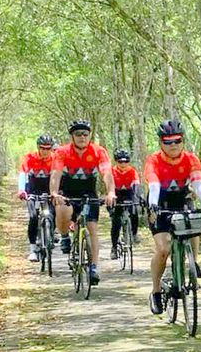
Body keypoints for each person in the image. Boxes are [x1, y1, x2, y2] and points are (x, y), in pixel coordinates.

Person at [145, 119, 201, 314]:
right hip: (160, 203)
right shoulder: (154, 160)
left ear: (183, 140)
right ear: (161, 143)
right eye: (168, 142)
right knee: (163, 250)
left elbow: (198, 183)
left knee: (193, 224)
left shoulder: (191, 159)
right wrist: (153, 206)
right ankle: (156, 291)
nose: (173, 145)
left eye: (177, 140)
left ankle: (193, 262)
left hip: (183, 199)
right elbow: (154, 185)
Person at [49, 120, 115, 287]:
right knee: (62, 211)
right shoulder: (62, 152)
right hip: (67, 193)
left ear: (90, 135)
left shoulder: (99, 151)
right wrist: (54, 193)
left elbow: (107, 173)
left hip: (88, 194)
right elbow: (56, 174)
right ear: (72, 136)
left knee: (92, 229)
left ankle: (93, 267)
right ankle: (65, 236)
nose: (82, 137)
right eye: (78, 134)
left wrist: (111, 192)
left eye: (85, 134)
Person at [17, 134, 56, 262]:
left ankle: (51, 233)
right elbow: (22, 173)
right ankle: (33, 249)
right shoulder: (30, 158)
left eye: (48, 148)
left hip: (49, 191)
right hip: (32, 192)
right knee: (33, 217)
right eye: (42, 148)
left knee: (53, 214)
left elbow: (61, 176)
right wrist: (21, 190)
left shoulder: (55, 159)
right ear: (38, 148)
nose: (45, 151)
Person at [108, 149, 142, 260]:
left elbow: (136, 185)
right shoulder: (112, 171)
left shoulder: (132, 171)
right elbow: (109, 186)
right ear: (116, 161)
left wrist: (138, 198)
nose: (123, 164)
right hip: (116, 193)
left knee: (134, 211)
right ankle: (114, 247)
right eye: (120, 162)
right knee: (116, 221)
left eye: (126, 161)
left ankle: (134, 234)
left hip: (129, 193)